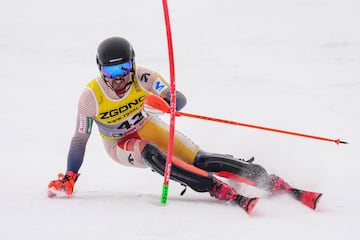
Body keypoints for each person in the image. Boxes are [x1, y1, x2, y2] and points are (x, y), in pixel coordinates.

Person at [48, 36, 321, 214]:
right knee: (150, 153)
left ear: (132, 64)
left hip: (146, 124)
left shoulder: (144, 77)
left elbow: (178, 98)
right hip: (119, 144)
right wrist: (70, 176)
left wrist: (170, 102)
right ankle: (214, 188)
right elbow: (79, 140)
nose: (118, 79)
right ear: (100, 70)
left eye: (123, 69)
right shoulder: (90, 98)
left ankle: (270, 181)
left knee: (199, 158)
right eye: (110, 71)